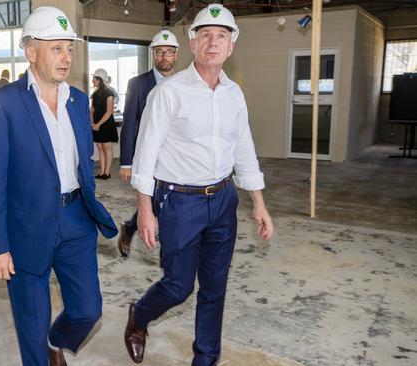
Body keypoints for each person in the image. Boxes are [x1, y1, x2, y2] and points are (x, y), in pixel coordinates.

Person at [123, 5, 274, 365]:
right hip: (179, 202)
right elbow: (146, 154)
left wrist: (259, 202)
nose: (213, 42)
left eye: (221, 35)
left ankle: (205, 359)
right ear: (193, 43)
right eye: (205, 34)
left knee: (215, 287)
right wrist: (145, 209)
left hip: (223, 200)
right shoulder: (169, 93)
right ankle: (139, 316)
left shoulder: (234, 94)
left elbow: (244, 148)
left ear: (231, 46)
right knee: (178, 286)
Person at [0, 7, 117, 366]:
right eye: (57, 49)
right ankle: (42, 351)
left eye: (69, 49)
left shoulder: (79, 100)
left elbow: (82, 161)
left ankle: (58, 341)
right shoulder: (2, 104)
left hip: (75, 220)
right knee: (32, 326)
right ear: (30, 50)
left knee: (88, 310)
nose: (66, 58)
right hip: (25, 229)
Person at [117, 29, 179, 257]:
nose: (164, 56)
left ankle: (131, 228)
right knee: (155, 198)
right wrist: (126, 162)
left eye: (169, 52)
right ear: (153, 54)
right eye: (160, 52)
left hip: (174, 157)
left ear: (176, 55)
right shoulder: (138, 84)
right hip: (147, 157)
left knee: (166, 201)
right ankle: (166, 250)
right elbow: (130, 123)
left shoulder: (184, 83)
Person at [90, 68, 118, 180]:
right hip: (96, 124)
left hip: (106, 124)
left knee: (106, 147)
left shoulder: (109, 93)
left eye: (94, 79)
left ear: (100, 80)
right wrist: (92, 122)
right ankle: (101, 172)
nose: (92, 81)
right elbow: (92, 110)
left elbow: (109, 112)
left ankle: (107, 172)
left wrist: (98, 124)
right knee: (100, 147)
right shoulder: (95, 94)